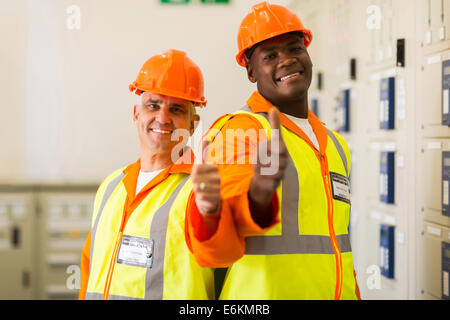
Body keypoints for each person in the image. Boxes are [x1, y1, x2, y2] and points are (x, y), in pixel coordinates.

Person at [186, 1, 361, 300]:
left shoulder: (334, 144)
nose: (287, 60)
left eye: (295, 48)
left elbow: (338, 246)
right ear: (251, 72)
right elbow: (216, 248)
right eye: (270, 55)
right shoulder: (242, 131)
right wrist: (252, 198)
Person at [78, 49, 217, 300]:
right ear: (136, 114)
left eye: (176, 109)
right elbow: (89, 268)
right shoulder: (111, 186)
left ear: (192, 124)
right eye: (153, 105)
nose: (162, 118)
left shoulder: (202, 189)